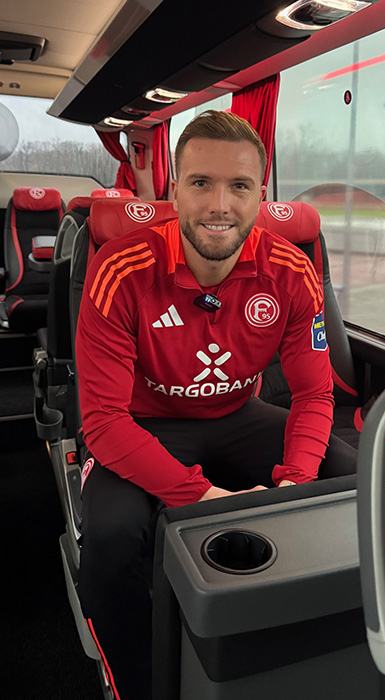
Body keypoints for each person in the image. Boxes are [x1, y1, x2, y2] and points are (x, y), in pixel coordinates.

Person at [75, 110, 358, 700]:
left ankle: (329, 649)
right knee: (110, 535)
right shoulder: (118, 271)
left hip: (237, 415)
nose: (219, 205)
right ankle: (137, 681)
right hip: (143, 424)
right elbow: (101, 423)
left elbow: (313, 393)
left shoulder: (291, 271)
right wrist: (204, 499)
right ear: (175, 189)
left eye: (239, 186)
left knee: (351, 483)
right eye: (201, 183)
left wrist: (293, 487)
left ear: (261, 193)